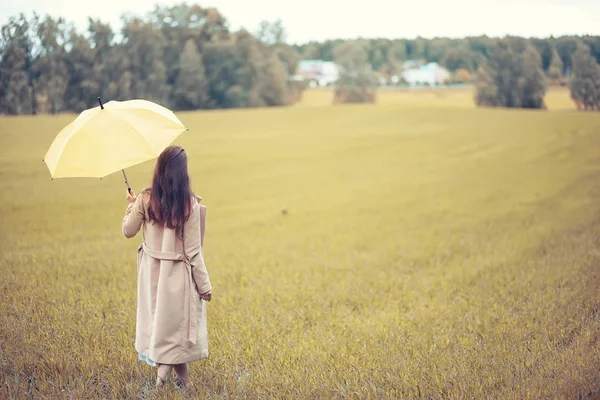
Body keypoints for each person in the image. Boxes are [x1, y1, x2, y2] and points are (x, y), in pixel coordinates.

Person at [122, 145, 212, 390]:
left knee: (168, 332)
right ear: (183, 173)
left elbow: (128, 231)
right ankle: (160, 384)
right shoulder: (189, 204)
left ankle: (187, 385)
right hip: (177, 278)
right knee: (174, 332)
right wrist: (204, 285)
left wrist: (132, 205)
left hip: (151, 274)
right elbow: (194, 251)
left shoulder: (145, 197)